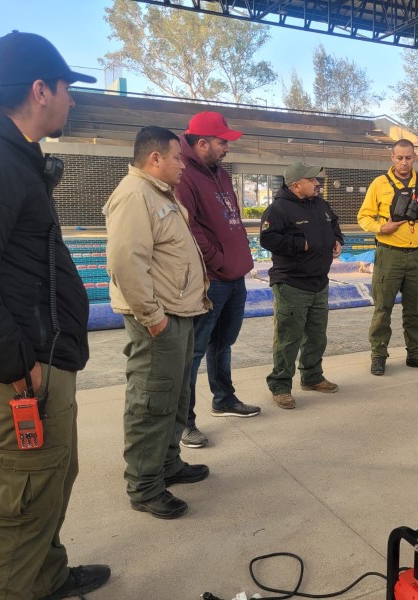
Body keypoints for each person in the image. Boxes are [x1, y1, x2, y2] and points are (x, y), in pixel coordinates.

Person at [0, 31, 111, 599]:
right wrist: (18, 366)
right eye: (67, 89)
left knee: (50, 481)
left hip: (42, 356)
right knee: (18, 505)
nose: (72, 101)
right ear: (40, 89)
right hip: (18, 371)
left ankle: (46, 577)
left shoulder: (12, 153)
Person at [104, 126, 211, 520]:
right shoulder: (134, 196)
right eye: (178, 157)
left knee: (175, 396)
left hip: (178, 312)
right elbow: (125, 262)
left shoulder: (158, 193)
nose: (183, 164)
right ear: (155, 158)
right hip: (157, 318)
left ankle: (168, 463)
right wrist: (152, 318)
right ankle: (145, 486)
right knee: (151, 401)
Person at [176, 112, 260, 450]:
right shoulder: (184, 176)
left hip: (234, 274)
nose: (227, 147)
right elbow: (189, 227)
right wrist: (218, 261)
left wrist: (237, 261)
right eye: (223, 141)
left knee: (223, 342)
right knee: (193, 352)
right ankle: (185, 422)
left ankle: (223, 398)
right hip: (211, 279)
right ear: (202, 143)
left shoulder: (220, 174)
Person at [357, 139, 418, 376]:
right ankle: (378, 356)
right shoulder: (379, 184)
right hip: (389, 255)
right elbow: (364, 217)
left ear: (414, 157)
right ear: (391, 157)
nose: (404, 163)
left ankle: (415, 354)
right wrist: (381, 227)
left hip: (417, 255)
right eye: (399, 158)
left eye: (408, 158)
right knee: (382, 308)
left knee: (414, 309)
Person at [259, 161, 343, 409]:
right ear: (296, 185)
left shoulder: (320, 205)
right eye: (311, 180)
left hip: (319, 283)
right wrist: (300, 245)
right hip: (292, 284)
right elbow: (267, 238)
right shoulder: (279, 209)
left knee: (317, 337)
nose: (317, 184)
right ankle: (281, 386)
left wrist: (337, 240)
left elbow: (334, 224)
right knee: (288, 339)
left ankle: (312, 377)